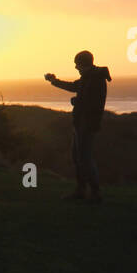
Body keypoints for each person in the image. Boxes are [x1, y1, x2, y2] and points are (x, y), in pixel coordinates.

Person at [44, 50, 111, 203]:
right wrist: (54, 81)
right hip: (81, 123)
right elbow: (74, 87)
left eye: (77, 65)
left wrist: (75, 102)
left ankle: (95, 192)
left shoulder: (95, 79)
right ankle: (81, 190)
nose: (76, 68)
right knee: (78, 158)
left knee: (85, 158)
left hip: (87, 124)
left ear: (83, 64)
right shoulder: (89, 77)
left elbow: (90, 102)